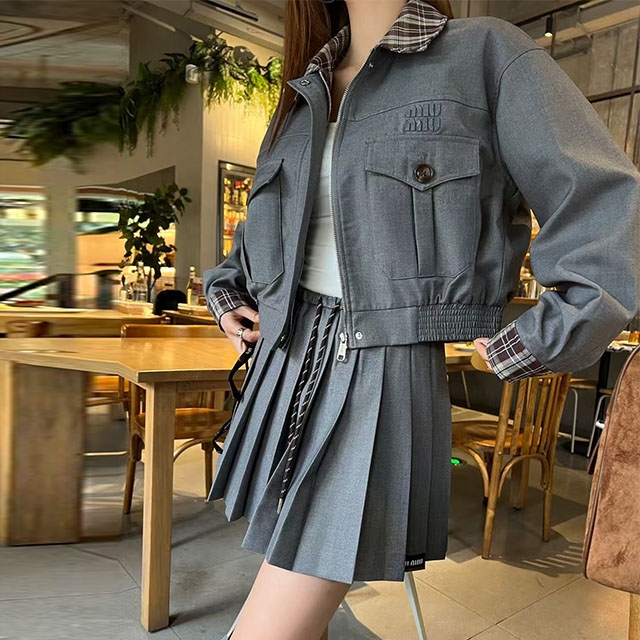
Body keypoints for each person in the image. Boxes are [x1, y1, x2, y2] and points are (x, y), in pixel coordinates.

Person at [203, 1, 640, 638]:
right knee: (288, 583)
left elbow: (606, 206)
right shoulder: (305, 89)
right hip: (284, 362)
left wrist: (536, 337)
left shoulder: (485, 54)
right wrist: (227, 294)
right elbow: (262, 237)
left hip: (380, 366)